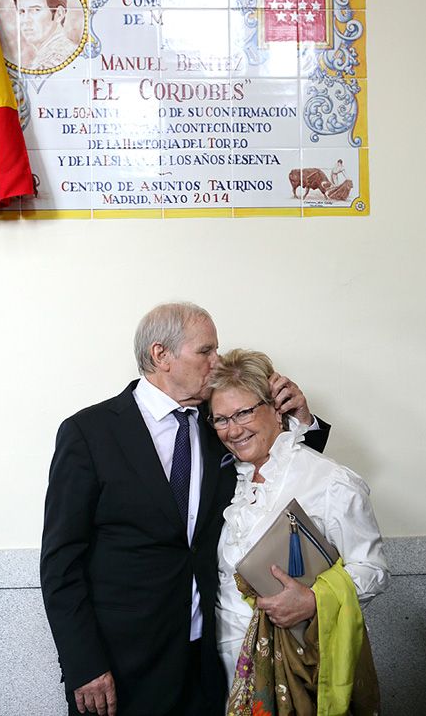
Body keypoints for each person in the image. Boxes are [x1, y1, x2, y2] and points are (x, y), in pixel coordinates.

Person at [40, 303, 330, 716]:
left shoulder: (221, 426)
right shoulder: (89, 433)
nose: (217, 362)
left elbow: (286, 479)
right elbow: (60, 561)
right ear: (161, 355)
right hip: (120, 667)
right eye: (206, 351)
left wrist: (301, 421)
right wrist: (83, 662)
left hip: (206, 661)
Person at [208, 349, 389, 713]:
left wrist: (312, 600)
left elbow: (374, 570)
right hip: (230, 669)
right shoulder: (229, 479)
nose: (233, 429)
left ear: (277, 408)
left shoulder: (329, 481)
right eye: (221, 419)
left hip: (300, 664)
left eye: (243, 412)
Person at [11, 0, 78, 70]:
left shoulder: (55, 60)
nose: (25, 20)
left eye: (36, 10)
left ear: (59, 14)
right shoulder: (45, 57)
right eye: (22, 11)